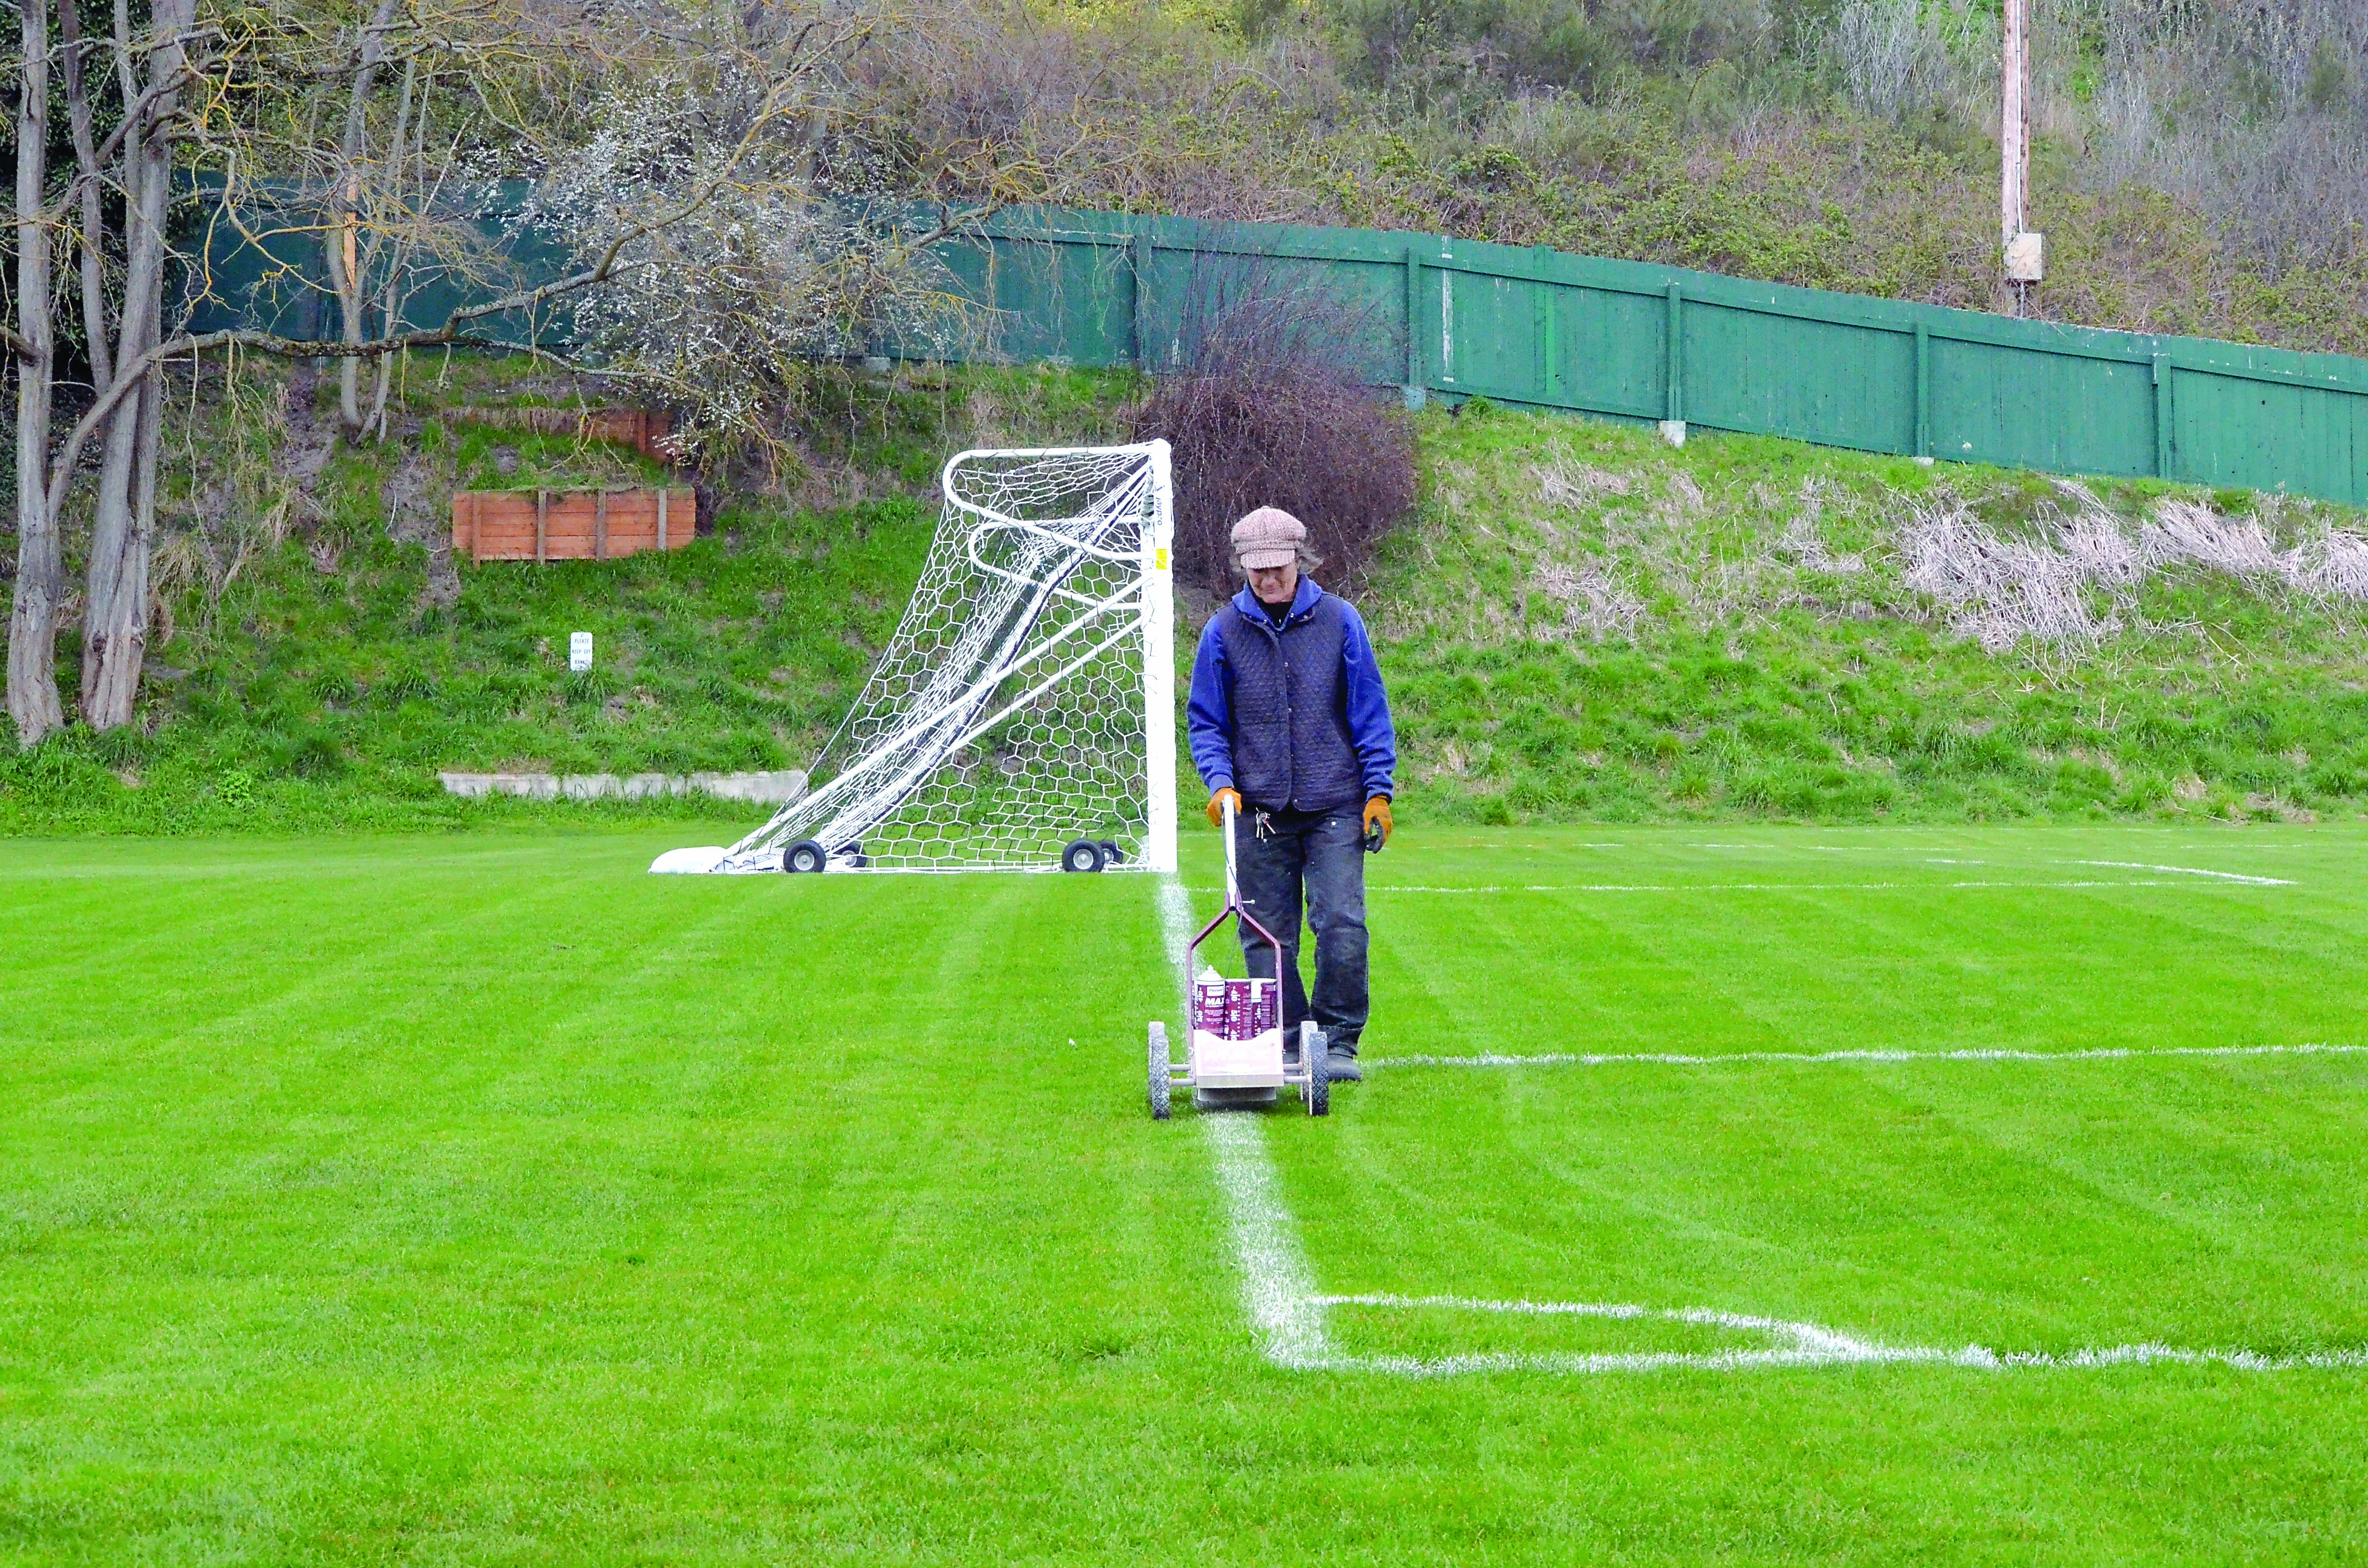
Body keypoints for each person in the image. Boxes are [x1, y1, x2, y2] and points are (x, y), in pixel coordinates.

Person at [1186, 506, 1396, 1082]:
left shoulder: (1339, 622)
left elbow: (1369, 712)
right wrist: (1220, 783)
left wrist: (1377, 793)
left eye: (1277, 569)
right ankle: (1285, 1037)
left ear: (1299, 562)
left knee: (1341, 925)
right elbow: (1206, 721)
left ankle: (1336, 1043)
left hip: (1334, 805)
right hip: (1255, 811)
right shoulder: (1222, 632)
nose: (1267, 581)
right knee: (1263, 934)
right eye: (1256, 573)